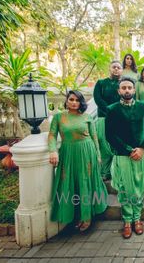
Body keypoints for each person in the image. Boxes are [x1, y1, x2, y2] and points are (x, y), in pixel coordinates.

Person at [48, 90, 108, 232]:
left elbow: (94, 138)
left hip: (87, 153)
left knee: (85, 182)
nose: (74, 103)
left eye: (77, 100)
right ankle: (73, 215)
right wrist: (52, 151)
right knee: (70, 182)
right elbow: (51, 135)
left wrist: (98, 155)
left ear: (81, 102)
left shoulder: (86, 117)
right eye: (71, 99)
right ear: (67, 101)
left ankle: (86, 217)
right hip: (68, 153)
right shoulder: (59, 117)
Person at [105, 77, 144, 239]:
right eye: (123, 88)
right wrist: (127, 150)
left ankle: (137, 218)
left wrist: (142, 148)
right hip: (122, 155)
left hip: (141, 155)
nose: (126, 90)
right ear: (119, 91)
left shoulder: (142, 107)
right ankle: (127, 220)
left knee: (139, 187)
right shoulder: (112, 109)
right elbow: (110, 135)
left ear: (134, 90)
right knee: (125, 188)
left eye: (129, 88)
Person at [93, 60, 122, 180]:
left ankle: (118, 173)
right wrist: (110, 111)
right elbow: (98, 99)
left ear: (122, 70)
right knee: (104, 146)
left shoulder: (124, 84)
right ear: (110, 68)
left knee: (118, 145)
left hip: (120, 119)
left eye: (118, 67)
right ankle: (105, 172)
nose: (116, 69)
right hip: (103, 118)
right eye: (114, 67)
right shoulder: (101, 83)